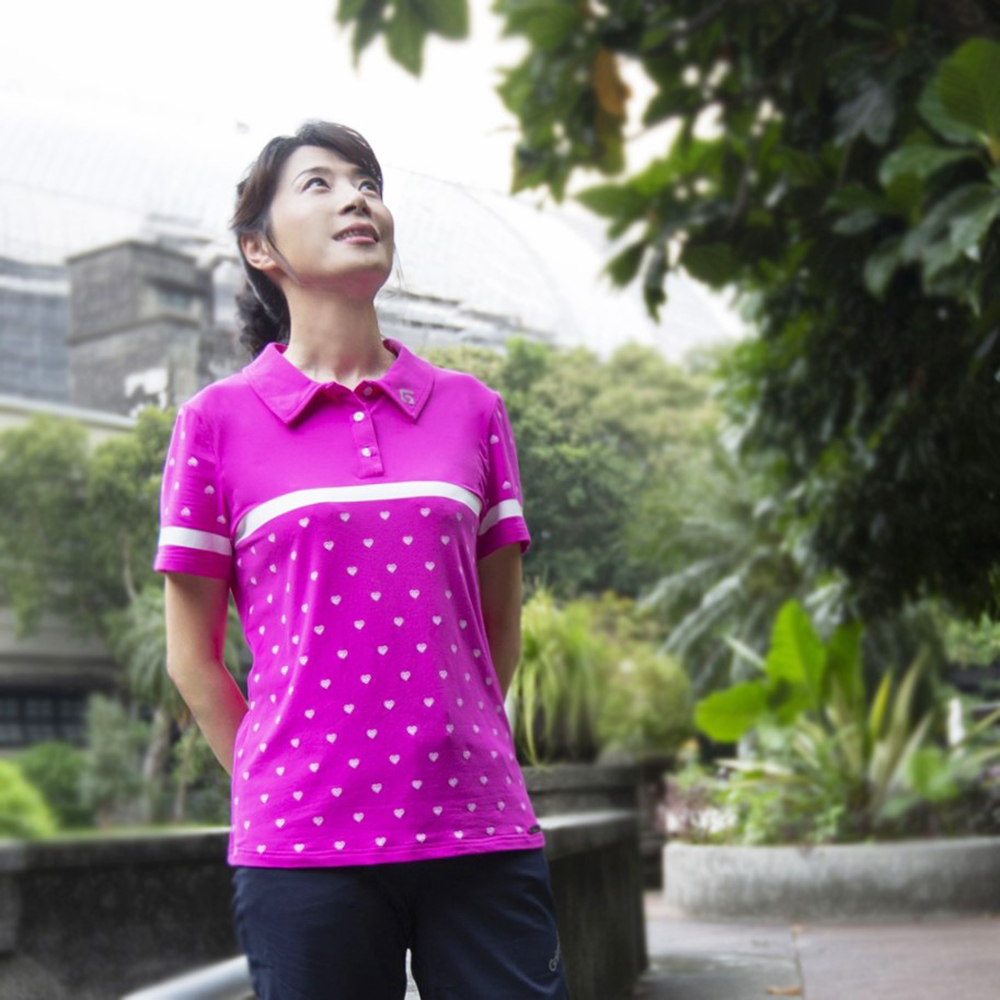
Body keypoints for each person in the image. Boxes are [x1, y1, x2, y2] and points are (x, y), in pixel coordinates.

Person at [153, 120, 571, 1000]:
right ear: (260, 247)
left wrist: (446, 748)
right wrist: (282, 781)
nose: (357, 199)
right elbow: (192, 660)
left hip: (478, 825)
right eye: (321, 183)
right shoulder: (215, 424)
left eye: (368, 183)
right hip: (302, 847)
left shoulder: (472, 410)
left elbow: (498, 625)